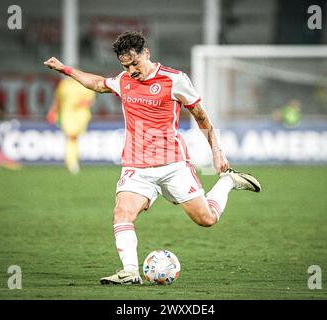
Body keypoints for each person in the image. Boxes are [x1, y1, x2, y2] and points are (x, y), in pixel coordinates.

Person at [44, 31, 261, 285]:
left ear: (146, 53)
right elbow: (97, 83)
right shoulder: (124, 81)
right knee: (122, 213)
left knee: (207, 220)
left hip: (173, 165)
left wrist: (216, 150)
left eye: (135, 63)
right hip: (136, 166)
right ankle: (130, 272)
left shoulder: (175, 80)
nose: (131, 70)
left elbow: (201, 116)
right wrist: (65, 70)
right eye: (125, 66)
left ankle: (228, 182)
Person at [46, 76, 96, 174]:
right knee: (71, 137)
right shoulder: (65, 84)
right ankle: (72, 163)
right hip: (67, 115)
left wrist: (81, 103)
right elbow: (58, 98)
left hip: (82, 115)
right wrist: (53, 110)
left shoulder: (84, 83)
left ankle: (73, 161)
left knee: (74, 138)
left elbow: (90, 101)